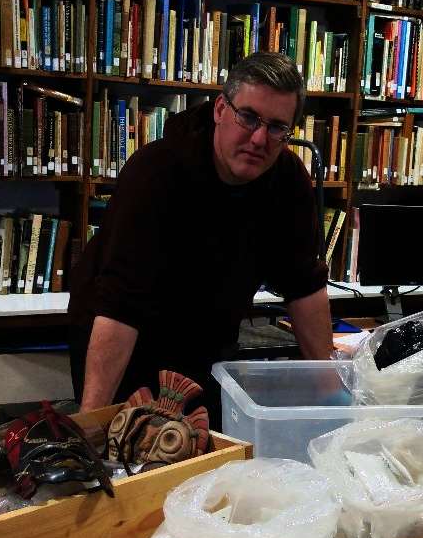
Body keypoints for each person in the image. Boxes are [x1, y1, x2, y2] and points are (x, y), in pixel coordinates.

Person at [67, 51, 335, 420]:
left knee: (195, 452)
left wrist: (333, 400)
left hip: (206, 348)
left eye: (276, 127)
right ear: (221, 109)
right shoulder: (155, 174)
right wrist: (91, 423)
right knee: (126, 448)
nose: (259, 138)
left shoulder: (288, 182)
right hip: (127, 344)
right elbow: (119, 308)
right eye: (249, 117)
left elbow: (305, 287)